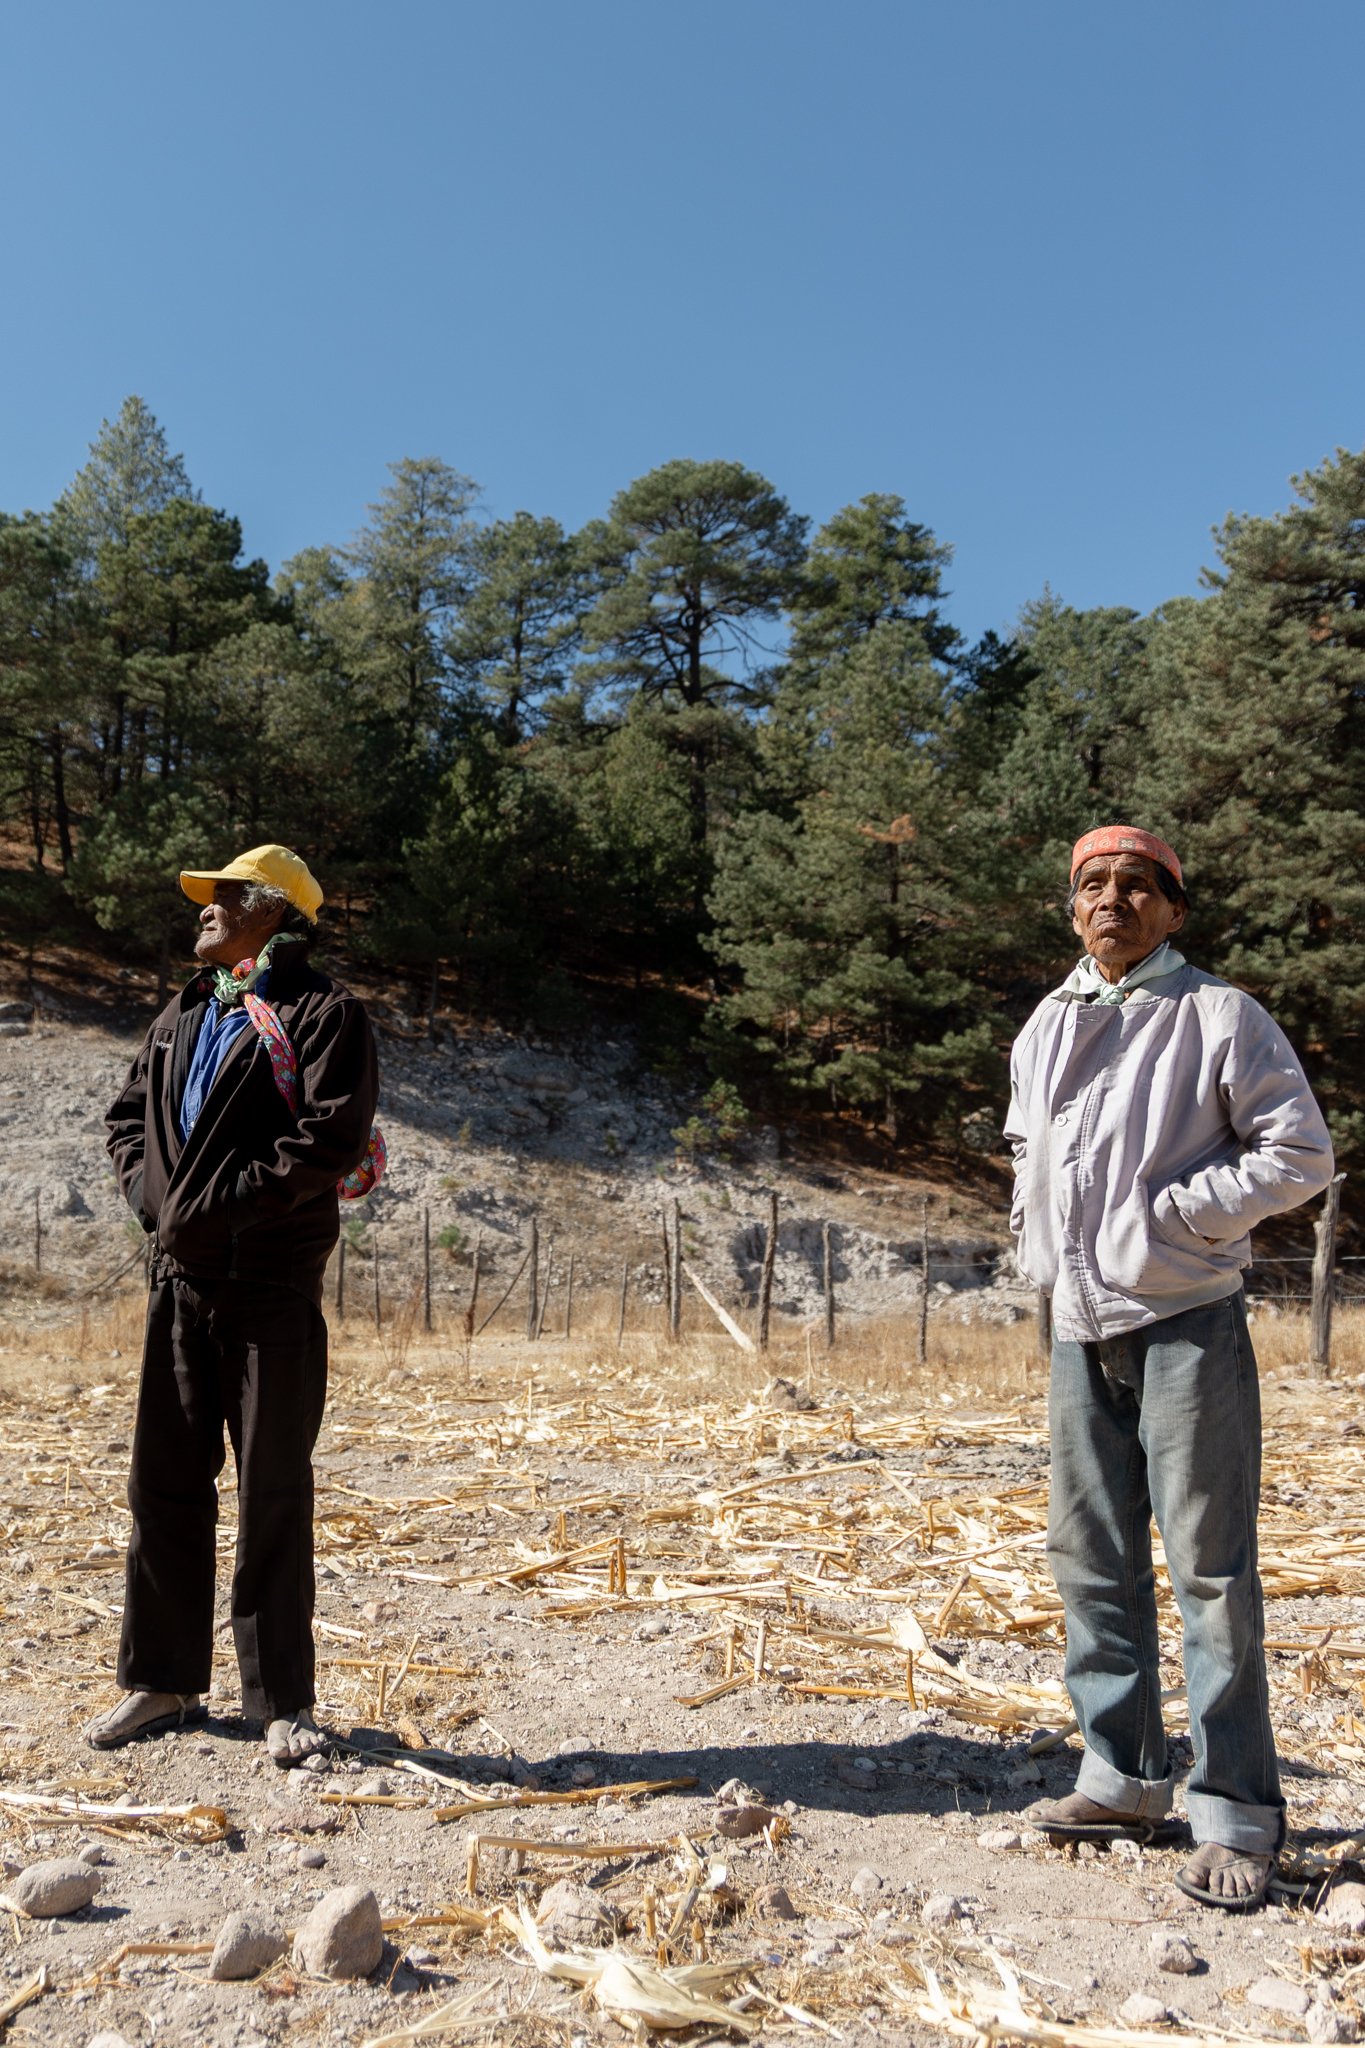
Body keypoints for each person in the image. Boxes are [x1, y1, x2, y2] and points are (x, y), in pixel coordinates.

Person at [1007, 824, 1334, 1910]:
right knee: (1091, 1556)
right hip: (1075, 1327)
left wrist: (1179, 1219)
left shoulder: (1217, 1013)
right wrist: (1042, 1258)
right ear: (1071, 910)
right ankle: (1123, 1774)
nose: (1114, 901)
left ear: (1174, 909)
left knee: (1210, 1567)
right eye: (1093, 885)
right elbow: (1031, 1158)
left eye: (1138, 886)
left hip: (1188, 1319)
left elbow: (1300, 1152)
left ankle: (1238, 1808)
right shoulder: (1046, 1025)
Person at [92, 844, 379, 1767]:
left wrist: (220, 1211)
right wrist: (155, 1203)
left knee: (273, 1490)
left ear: (268, 911)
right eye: (207, 899)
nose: (204, 910)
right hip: (180, 1279)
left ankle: (280, 1700)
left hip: (269, 1285)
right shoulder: (182, 1011)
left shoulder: (325, 1013)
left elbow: (326, 1139)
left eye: (221, 898)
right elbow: (127, 1119)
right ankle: (163, 1682)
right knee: (164, 1483)